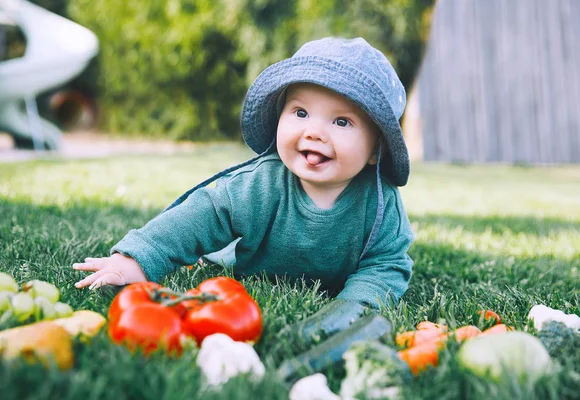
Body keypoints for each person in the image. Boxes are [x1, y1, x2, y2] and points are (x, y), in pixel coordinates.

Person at [73, 37, 414, 311]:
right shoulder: (259, 185)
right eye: (301, 112)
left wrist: (354, 306)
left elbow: (386, 264)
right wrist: (138, 259)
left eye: (341, 121)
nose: (314, 132)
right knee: (211, 230)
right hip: (254, 272)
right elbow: (199, 217)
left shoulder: (381, 202)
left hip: (343, 289)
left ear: (375, 150)